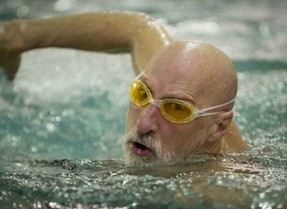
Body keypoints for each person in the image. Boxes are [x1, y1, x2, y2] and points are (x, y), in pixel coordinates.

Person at [0, 11, 248, 166]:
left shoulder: (232, 193)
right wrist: (20, 34)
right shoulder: (171, 79)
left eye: (175, 109)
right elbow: (138, 28)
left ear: (219, 128)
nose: (143, 124)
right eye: (142, 94)